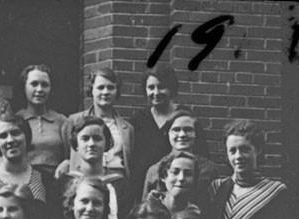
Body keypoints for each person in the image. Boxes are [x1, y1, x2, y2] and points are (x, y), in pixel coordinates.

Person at [130, 65, 212, 199]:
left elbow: (202, 157)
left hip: (181, 189)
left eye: (161, 86)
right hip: (147, 188)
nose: (156, 92)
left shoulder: (186, 119)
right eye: (151, 87)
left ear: (171, 88)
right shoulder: (139, 120)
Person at [60, 116, 133, 219]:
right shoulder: (64, 184)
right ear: (76, 143)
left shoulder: (120, 184)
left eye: (97, 138)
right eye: (85, 138)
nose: (91, 144)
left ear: (106, 144)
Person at [62, 67, 134, 180]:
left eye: (110, 88)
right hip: (84, 180)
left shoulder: (127, 128)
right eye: (100, 87)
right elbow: (67, 153)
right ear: (92, 90)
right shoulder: (74, 121)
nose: (105, 92)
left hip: (117, 181)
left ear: (117, 91)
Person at [139, 111, 220, 204]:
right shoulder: (154, 170)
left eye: (188, 130)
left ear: (195, 134)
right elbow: (144, 209)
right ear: (168, 133)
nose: (182, 135)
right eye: (176, 129)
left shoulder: (209, 169)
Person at [15, 64, 70, 178]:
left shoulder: (62, 121)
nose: (39, 89)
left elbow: (73, 155)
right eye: (34, 84)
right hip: (24, 182)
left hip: (56, 181)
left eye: (44, 85)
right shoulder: (16, 120)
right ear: (24, 87)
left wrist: (67, 163)